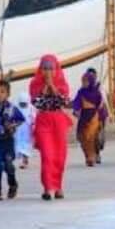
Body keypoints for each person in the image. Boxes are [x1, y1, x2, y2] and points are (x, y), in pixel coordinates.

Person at [30, 54, 73, 201]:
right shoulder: (35, 84)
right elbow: (36, 103)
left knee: (60, 156)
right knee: (47, 156)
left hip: (59, 121)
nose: (48, 71)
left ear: (56, 69)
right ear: (40, 69)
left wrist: (52, 86)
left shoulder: (62, 84)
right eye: (45, 68)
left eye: (51, 68)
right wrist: (44, 87)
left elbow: (64, 102)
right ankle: (47, 188)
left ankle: (58, 186)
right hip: (44, 121)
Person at [72, 71, 106, 167]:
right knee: (81, 137)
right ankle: (88, 156)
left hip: (94, 117)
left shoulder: (97, 92)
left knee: (91, 137)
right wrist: (76, 109)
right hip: (83, 117)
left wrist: (102, 117)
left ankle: (92, 156)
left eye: (85, 81)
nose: (83, 83)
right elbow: (77, 102)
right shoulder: (81, 92)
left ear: (90, 81)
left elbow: (101, 105)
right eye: (82, 81)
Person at [86, 68, 109, 164]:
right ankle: (94, 155)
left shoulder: (100, 87)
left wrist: (109, 113)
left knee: (99, 136)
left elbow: (104, 100)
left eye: (93, 75)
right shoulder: (84, 87)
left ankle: (97, 152)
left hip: (100, 114)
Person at [14, 91, 35, 169]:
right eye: (21, 104)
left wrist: (33, 125)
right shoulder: (16, 108)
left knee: (26, 145)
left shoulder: (31, 108)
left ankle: (25, 160)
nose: (23, 105)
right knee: (18, 145)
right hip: (18, 130)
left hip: (27, 130)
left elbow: (34, 117)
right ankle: (21, 159)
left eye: (24, 104)